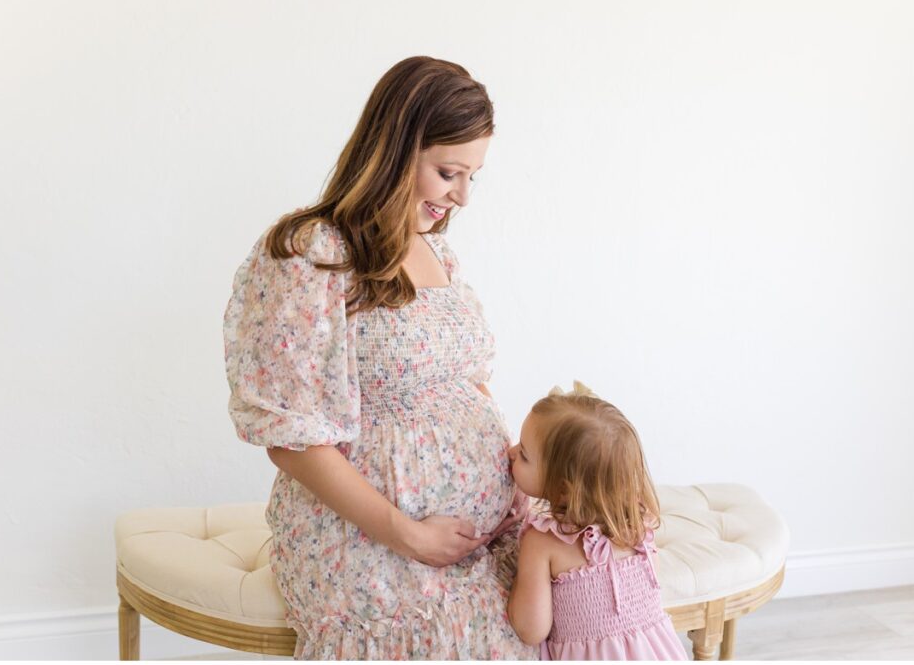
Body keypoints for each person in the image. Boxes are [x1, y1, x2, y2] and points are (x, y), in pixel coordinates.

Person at [223, 56, 536, 659]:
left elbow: (466, 385)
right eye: (449, 172)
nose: (464, 196)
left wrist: (516, 485)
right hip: (374, 543)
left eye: (474, 177)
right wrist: (409, 535)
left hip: (485, 535)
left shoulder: (436, 252)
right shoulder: (310, 254)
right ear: (397, 150)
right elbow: (290, 436)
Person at [507, 381, 689, 660]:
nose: (511, 452)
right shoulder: (640, 529)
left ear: (563, 488)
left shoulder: (542, 542)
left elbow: (530, 629)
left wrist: (513, 578)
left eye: (524, 455)